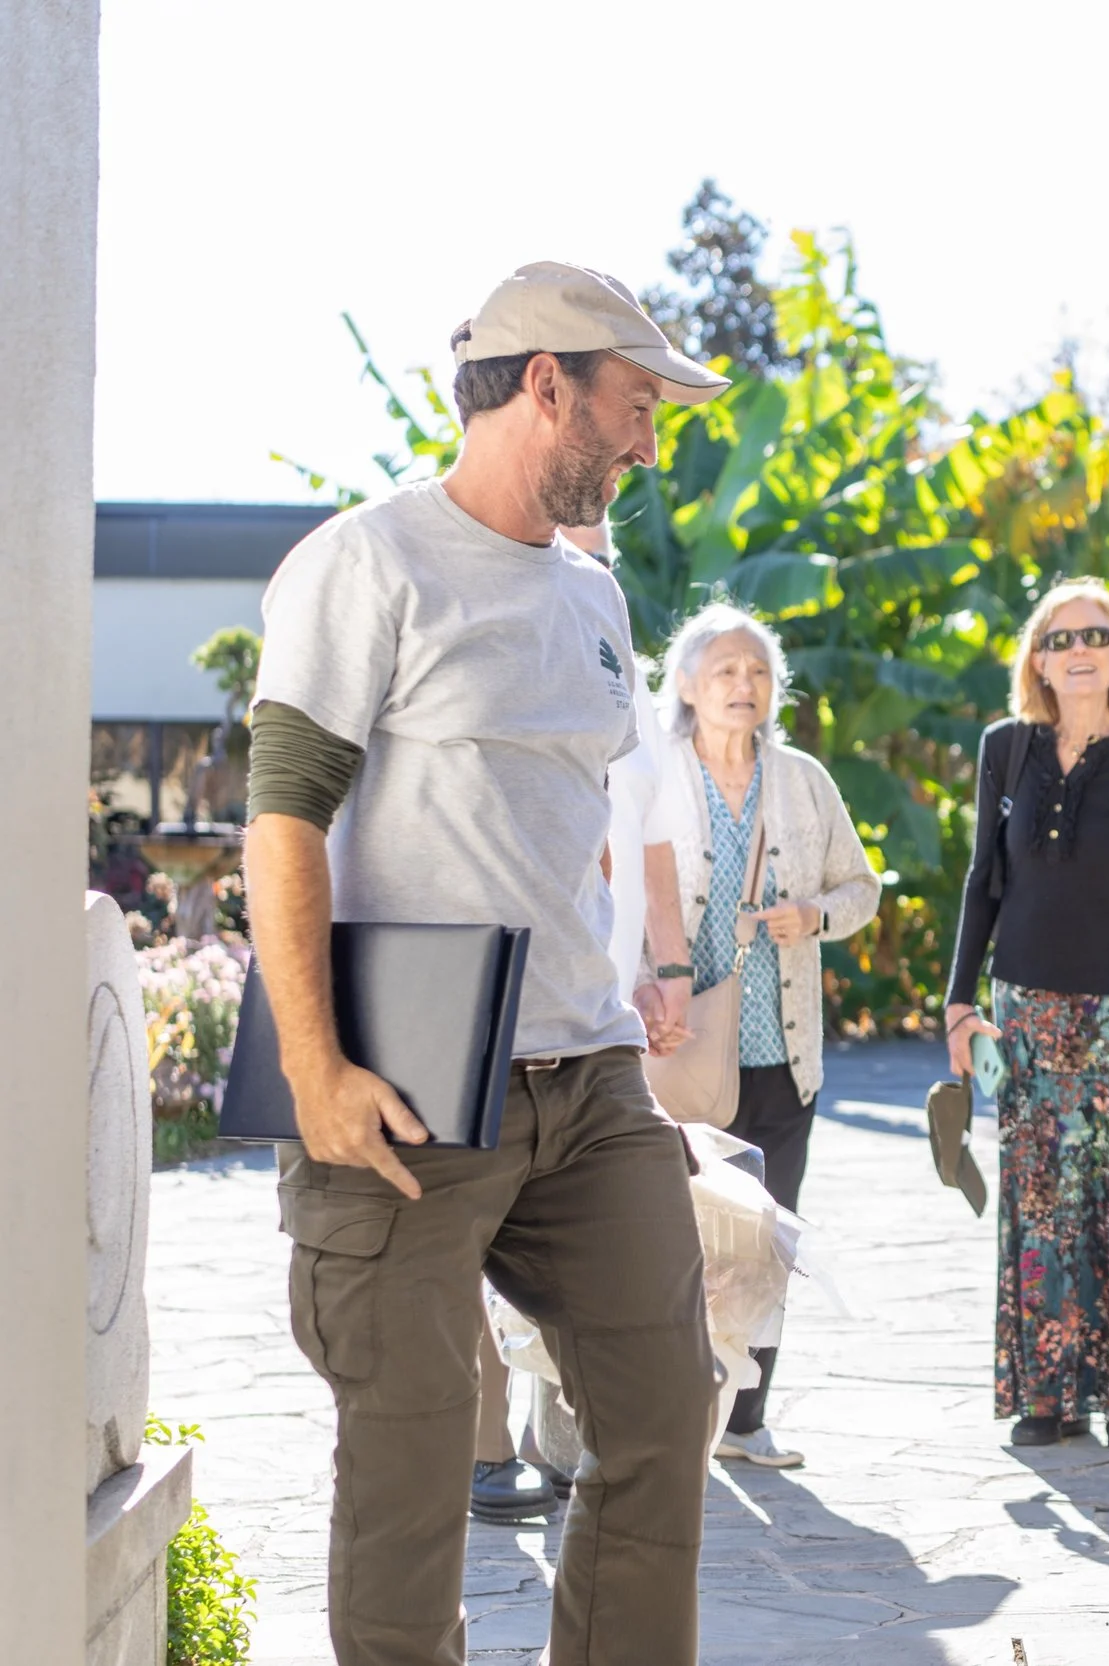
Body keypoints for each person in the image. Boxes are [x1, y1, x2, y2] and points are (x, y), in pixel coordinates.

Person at [243, 260, 728, 1664]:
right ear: (544, 384)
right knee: (404, 1486)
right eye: (634, 404)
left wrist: (635, 968)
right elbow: (283, 818)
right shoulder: (368, 563)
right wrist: (314, 1063)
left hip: (587, 1081)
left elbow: (573, 829)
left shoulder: (594, 603)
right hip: (406, 1086)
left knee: (661, 1415)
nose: (648, 441)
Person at [471, 541, 695, 1525]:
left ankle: (557, 1440)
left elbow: (643, 840)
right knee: (460, 1247)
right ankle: (484, 1446)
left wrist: (659, 966)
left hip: (595, 1021)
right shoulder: (478, 642)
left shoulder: (620, 670)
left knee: (627, 1289)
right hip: (478, 1009)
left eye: (600, 557)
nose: (581, 565)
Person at [944, 581, 1109, 1450]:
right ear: (1037, 658)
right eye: (1060, 636)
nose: (1079, 649)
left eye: (1097, 634)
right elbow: (983, 884)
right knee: (1038, 1204)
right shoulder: (1004, 750)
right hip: (1024, 1013)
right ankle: (1046, 1396)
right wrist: (959, 1005)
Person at [652, 601, 883, 1468]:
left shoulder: (804, 781)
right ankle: (677, 1412)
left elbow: (860, 889)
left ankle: (745, 1421)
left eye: (757, 672)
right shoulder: (655, 776)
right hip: (678, 1053)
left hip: (782, 1058)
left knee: (767, 1238)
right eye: (724, 671)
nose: (743, 686)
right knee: (675, 1235)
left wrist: (813, 914)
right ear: (686, 685)